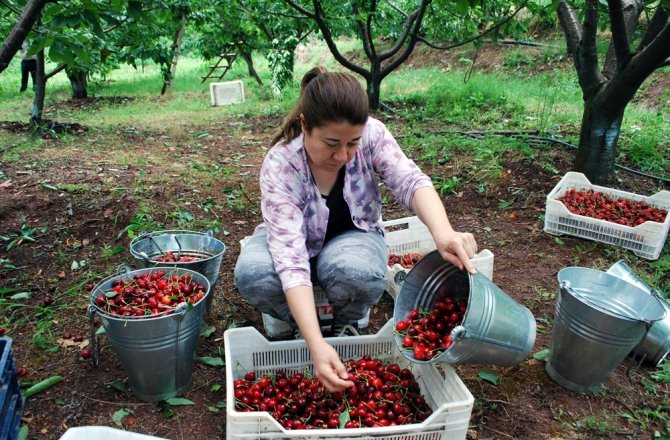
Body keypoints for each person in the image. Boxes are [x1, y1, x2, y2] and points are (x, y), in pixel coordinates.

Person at [234, 66, 478, 392]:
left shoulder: (373, 134)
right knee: (254, 273)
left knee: (357, 271)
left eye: (352, 144)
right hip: (294, 241)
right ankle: (297, 324)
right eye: (331, 143)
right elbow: (290, 259)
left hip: (353, 236)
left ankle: (346, 320)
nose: (343, 155)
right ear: (305, 125)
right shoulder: (282, 165)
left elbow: (410, 180)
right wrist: (315, 345)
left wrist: (442, 231)